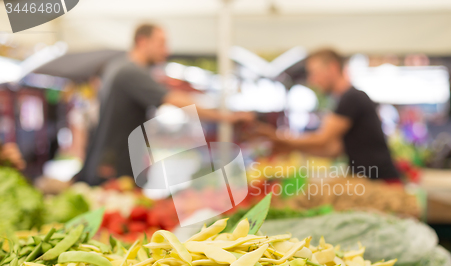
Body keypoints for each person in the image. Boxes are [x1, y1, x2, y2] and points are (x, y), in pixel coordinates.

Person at [78, 24, 252, 185]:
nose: (166, 51)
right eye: (161, 43)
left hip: (107, 159)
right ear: (142, 41)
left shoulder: (117, 66)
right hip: (115, 165)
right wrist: (228, 117)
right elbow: (177, 100)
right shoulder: (131, 72)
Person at [256, 49, 399, 181]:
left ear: (332, 68)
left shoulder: (351, 98)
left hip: (380, 182)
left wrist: (281, 138)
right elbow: (333, 149)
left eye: (314, 72)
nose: (312, 80)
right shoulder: (347, 98)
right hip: (373, 179)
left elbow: (322, 139)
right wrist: (293, 147)